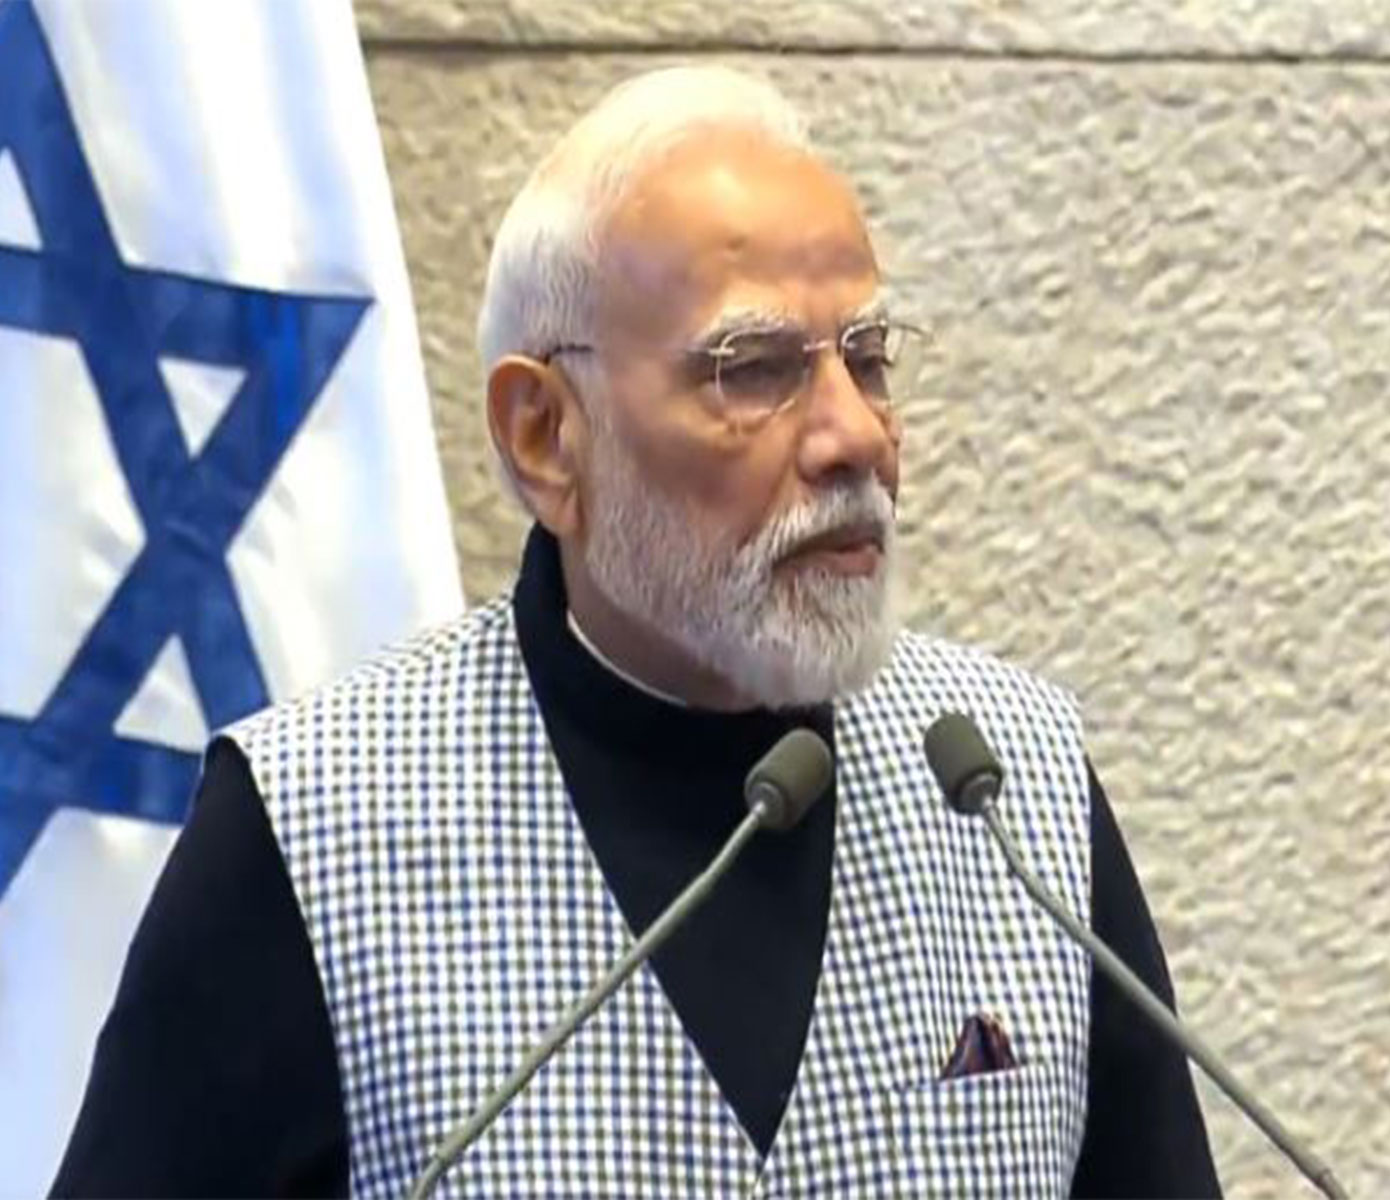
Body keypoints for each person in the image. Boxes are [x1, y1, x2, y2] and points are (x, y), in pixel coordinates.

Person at [54, 66, 1220, 1198]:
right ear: (546, 436)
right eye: (753, 369)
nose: (854, 435)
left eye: (867, 359)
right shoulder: (312, 825)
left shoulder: (1010, 787)